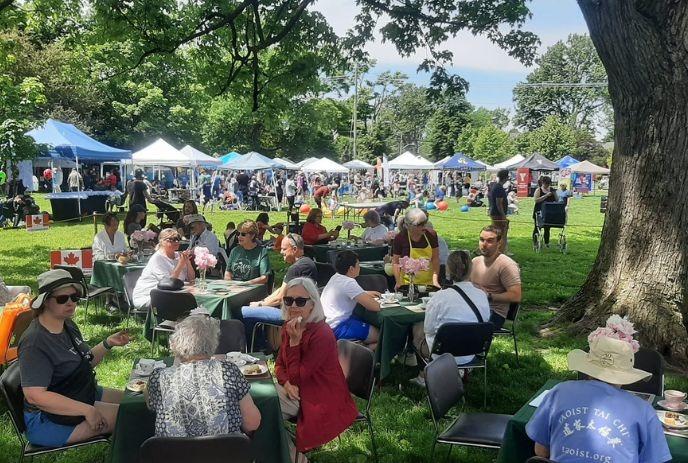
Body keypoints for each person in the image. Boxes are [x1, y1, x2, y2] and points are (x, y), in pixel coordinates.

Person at [526, 316, 671, 463]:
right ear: (627, 373)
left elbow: (541, 451)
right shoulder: (643, 410)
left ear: (588, 366)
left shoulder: (559, 392)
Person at [19, 269, 130, 447]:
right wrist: (87, 410)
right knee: (133, 417)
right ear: (46, 301)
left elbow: (84, 362)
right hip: (48, 419)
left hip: (78, 391)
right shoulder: (35, 343)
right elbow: (35, 396)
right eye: (63, 299)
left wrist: (107, 343)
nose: (71, 303)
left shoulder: (66, 324)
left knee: (136, 402)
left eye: (74, 297)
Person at [275, 277, 358, 461]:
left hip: (320, 394)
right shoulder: (289, 327)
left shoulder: (322, 334)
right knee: (260, 408)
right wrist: (286, 383)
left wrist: (295, 343)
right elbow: (279, 365)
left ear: (312, 304)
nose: (293, 306)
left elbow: (300, 378)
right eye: (288, 300)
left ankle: (293, 458)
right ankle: (285, 453)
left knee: (265, 410)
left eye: (300, 301)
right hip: (297, 390)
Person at [146, 315, 261, 437]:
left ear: (175, 344)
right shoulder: (229, 371)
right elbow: (252, 423)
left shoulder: (158, 377)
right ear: (213, 342)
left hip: (174, 455)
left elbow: (151, 405)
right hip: (226, 454)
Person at [410, 250, 491, 386]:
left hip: (442, 353)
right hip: (471, 352)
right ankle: (459, 371)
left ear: (448, 271)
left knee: (417, 328)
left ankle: (423, 376)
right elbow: (484, 322)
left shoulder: (439, 297)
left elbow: (428, 329)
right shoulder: (482, 296)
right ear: (470, 270)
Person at [241, 233, 318, 349]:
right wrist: (263, 301)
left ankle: (257, 349)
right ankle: (262, 346)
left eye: (283, 249)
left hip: (291, 315)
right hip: (301, 311)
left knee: (243, 312)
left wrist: (260, 304)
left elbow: (280, 297)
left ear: (295, 249)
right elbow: (281, 291)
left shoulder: (296, 268)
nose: (281, 252)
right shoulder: (306, 263)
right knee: (253, 309)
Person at [321, 251, 381, 349]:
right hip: (339, 326)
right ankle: (360, 352)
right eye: (358, 265)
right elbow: (375, 307)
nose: (359, 267)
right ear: (351, 268)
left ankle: (359, 348)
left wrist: (365, 293)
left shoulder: (336, 277)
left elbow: (349, 292)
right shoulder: (349, 282)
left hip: (328, 325)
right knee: (382, 336)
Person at [469, 225, 521, 329]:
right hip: (472, 308)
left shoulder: (507, 265)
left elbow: (516, 296)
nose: (484, 244)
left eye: (490, 241)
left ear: (499, 243)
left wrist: (488, 296)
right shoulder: (475, 261)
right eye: (481, 240)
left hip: (494, 313)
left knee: (456, 326)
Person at [132, 228, 195, 308]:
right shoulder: (157, 259)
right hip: (149, 296)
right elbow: (168, 284)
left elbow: (191, 279)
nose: (176, 242)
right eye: (171, 239)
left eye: (178, 239)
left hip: (171, 293)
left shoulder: (178, 255)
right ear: (162, 241)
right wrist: (181, 264)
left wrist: (187, 262)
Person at [392, 208, 441, 290]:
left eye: (425, 223)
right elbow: (396, 262)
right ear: (408, 226)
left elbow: (435, 259)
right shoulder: (400, 238)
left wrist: (435, 281)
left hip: (429, 283)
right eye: (420, 225)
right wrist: (398, 282)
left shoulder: (431, 235)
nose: (424, 227)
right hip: (407, 283)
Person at [225, 220, 270, 284]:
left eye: (243, 234)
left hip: (252, 290)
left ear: (252, 236)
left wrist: (245, 285)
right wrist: (229, 285)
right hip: (234, 288)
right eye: (238, 234)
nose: (239, 237)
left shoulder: (262, 252)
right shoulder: (235, 251)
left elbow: (264, 278)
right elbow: (228, 272)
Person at [532, 175, 558, 248]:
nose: (547, 185)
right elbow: (536, 200)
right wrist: (546, 195)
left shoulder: (551, 189)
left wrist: (555, 193)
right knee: (537, 227)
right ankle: (535, 243)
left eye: (548, 184)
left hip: (548, 211)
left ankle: (547, 242)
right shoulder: (538, 190)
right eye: (546, 184)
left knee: (547, 227)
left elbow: (557, 200)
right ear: (543, 183)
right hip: (539, 210)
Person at [489, 169, 510, 253]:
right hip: (498, 215)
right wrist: (503, 216)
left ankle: (500, 250)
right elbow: (499, 203)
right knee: (500, 233)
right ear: (506, 177)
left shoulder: (497, 187)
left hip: (496, 213)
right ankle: (500, 251)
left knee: (496, 233)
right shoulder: (498, 188)